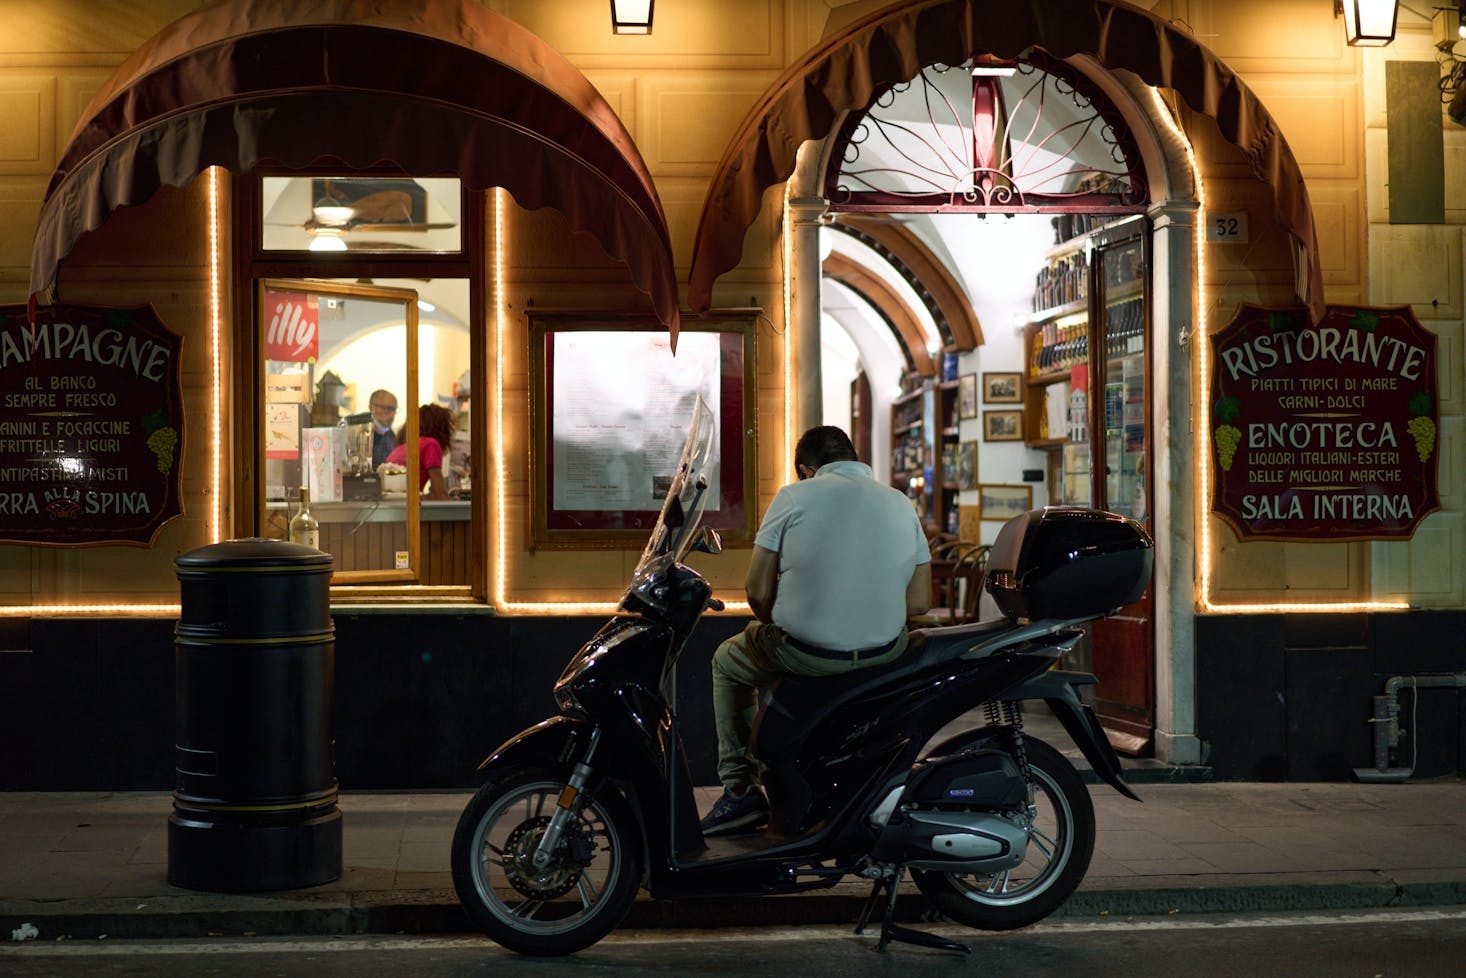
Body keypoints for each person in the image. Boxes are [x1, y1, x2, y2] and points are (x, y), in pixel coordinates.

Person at [699, 426, 932, 836]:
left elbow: (756, 591)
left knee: (726, 662)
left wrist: (786, 619)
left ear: (806, 469)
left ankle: (740, 791)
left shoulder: (793, 497)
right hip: (883, 654)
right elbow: (919, 604)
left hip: (807, 653)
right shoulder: (900, 503)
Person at [385, 403, 455, 501]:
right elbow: (441, 494)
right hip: (408, 509)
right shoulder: (431, 444)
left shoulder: (403, 447)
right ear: (441, 428)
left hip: (394, 507)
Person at [368, 389, 398, 468]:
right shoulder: (362, 436)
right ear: (372, 408)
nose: (392, 415)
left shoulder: (393, 437)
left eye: (394, 410)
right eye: (387, 409)